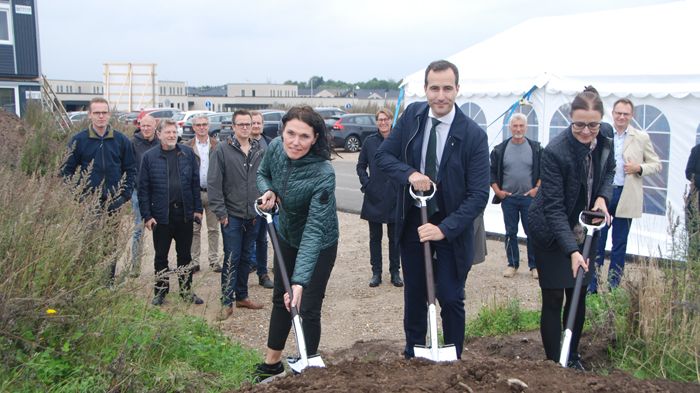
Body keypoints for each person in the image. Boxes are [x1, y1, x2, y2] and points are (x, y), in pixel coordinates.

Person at [375, 60, 490, 359]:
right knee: (414, 294)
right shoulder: (412, 117)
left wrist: (444, 229)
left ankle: (453, 355)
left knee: (450, 297)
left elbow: (479, 196)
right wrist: (410, 174)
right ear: (425, 89)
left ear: (458, 89)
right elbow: (383, 157)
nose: (441, 96)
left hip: (454, 228)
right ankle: (414, 352)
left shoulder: (473, 135)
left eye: (447, 88)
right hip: (415, 220)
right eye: (434, 88)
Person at [528, 87, 614, 370]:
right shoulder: (555, 151)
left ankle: (572, 355)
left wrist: (602, 197)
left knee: (577, 293)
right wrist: (571, 252)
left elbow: (609, 170)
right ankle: (555, 363)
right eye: (579, 124)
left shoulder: (606, 138)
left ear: (600, 121)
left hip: (585, 228)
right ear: (570, 119)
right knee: (554, 295)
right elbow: (553, 208)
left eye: (593, 124)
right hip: (551, 231)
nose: (587, 131)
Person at [253, 106, 338, 380]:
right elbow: (262, 173)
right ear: (282, 130)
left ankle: (307, 366)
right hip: (287, 235)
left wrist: (300, 281)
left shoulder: (323, 172)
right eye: (291, 133)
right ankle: (272, 364)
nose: (295, 142)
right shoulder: (276, 147)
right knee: (281, 299)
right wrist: (269, 190)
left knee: (307, 306)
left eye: (304, 136)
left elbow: (315, 229)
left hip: (320, 243)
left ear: (315, 138)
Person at [588, 98, 661, 293]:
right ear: (612, 114)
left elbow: (656, 164)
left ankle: (613, 285)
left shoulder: (640, 137)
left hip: (626, 194)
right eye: (618, 113)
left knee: (619, 243)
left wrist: (639, 168)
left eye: (625, 114)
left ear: (631, 116)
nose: (621, 117)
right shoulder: (603, 133)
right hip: (603, 195)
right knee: (597, 240)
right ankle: (592, 284)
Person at [61, 97, 137, 281]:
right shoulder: (79, 140)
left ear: (109, 114)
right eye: (97, 113)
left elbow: (131, 170)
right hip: (89, 204)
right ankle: (88, 281)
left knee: (110, 244)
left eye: (104, 112)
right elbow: (65, 172)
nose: (101, 116)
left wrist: (123, 196)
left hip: (113, 202)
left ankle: (107, 281)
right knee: (88, 242)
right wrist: (80, 196)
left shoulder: (121, 140)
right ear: (90, 115)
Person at [138, 119, 204, 306]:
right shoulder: (149, 157)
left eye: (174, 132)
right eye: (167, 132)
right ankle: (161, 291)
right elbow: (143, 189)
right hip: (161, 215)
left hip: (183, 214)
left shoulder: (187, 154)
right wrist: (147, 215)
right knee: (161, 256)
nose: (172, 135)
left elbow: (194, 183)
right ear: (158, 135)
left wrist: (198, 209)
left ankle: (186, 290)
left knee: (185, 255)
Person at [208, 110, 265, 321]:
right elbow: (214, 184)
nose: (244, 127)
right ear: (233, 127)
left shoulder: (259, 149)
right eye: (240, 124)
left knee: (246, 257)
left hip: (253, 214)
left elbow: (264, 177)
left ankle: (242, 296)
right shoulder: (222, 150)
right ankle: (226, 301)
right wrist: (221, 213)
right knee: (232, 258)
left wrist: (263, 204)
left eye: (247, 124)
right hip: (231, 215)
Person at [490, 113, 543, 279]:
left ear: (526, 128)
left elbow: (544, 170)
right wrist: (498, 191)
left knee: (532, 232)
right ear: (510, 127)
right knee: (510, 232)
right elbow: (491, 172)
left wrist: (536, 189)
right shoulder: (500, 149)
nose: (518, 129)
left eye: (521, 126)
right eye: (515, 126)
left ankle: (535, 266)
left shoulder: (536, 148)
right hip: (509, 199)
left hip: (529, 199)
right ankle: (512, 264)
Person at [356, 108, 403, 288]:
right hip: (374, 195)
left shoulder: (398, 140)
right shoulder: (369, 142)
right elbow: (361, 166)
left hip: (395, 195)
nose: (383, 122)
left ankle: (395, 272)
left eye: (386, 119)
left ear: (391, 120)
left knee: (395, 237)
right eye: (380, 120)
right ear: (376, 122)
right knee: (375, 237)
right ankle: (376, 272)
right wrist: (367, 184)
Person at [186, 114, 222, 274]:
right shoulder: (187, 147)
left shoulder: (217, 146)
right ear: (193, 127)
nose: (202, 127)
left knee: (214, 229)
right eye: (198, 125)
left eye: (204, 124)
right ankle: (194, 261)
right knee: (194, 229)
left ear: (208, 126)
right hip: (195, 193)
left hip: (213, 193)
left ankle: (214, 260)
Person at [129, 115, 159, 277]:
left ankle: (160, 267)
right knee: (138, 229)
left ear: (155, 126)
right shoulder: (133, 143)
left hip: (158, 191)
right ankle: (135, 267)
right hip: (138, 192)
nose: (146, 128)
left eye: (149, 125)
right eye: (143, 125)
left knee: (160, 230)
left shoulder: (160, 143)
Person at [248, 110, 274, 289]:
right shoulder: (241, 144)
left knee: (262, 238)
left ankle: (263, 274)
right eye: (253, 123)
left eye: (259, 123)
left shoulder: (270, 144)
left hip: (265, 199)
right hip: (247, 200)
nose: (256, 126)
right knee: (247, 238)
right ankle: (246, 269)